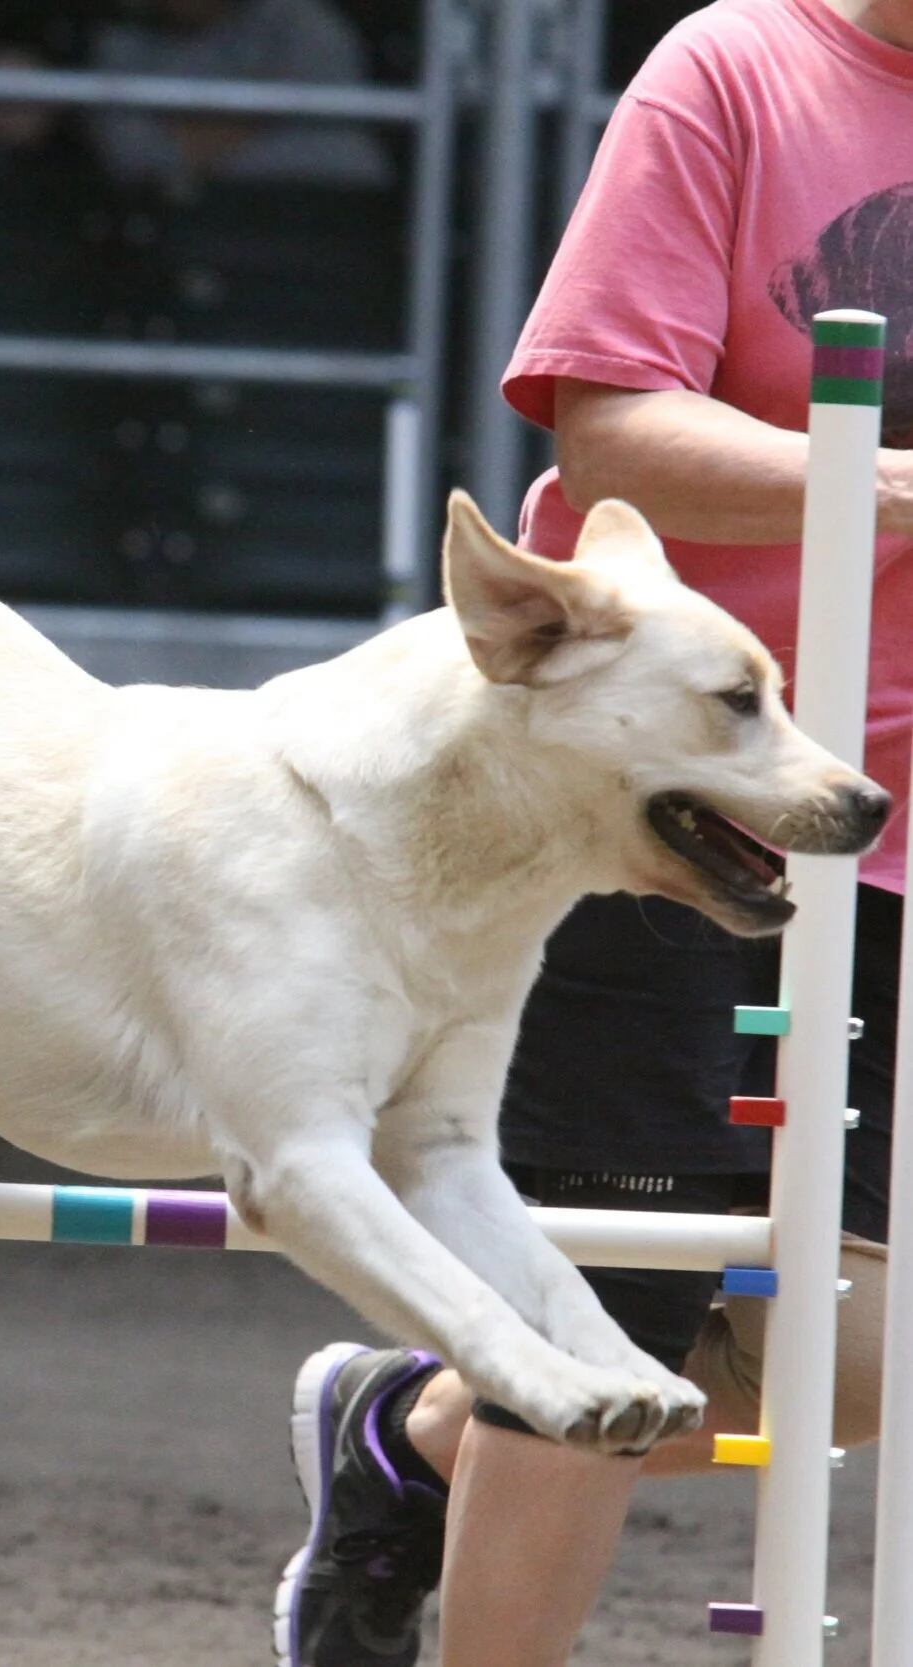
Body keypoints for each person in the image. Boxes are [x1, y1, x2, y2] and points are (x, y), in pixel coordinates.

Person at [273, 1, 913, 1662]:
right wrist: (888, 483)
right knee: (606, 1295)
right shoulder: (736, 71)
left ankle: (406, 1434)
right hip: (671, 796)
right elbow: (611, 429)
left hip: (895, 827)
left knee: (856, 1355)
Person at [86, 0, 393, 191]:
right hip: (175, 232)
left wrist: (197, 140)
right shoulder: (123, 39)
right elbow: (132, 155)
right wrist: (262, 112)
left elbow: (348, 157)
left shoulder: (303, 22)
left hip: (314, 227)